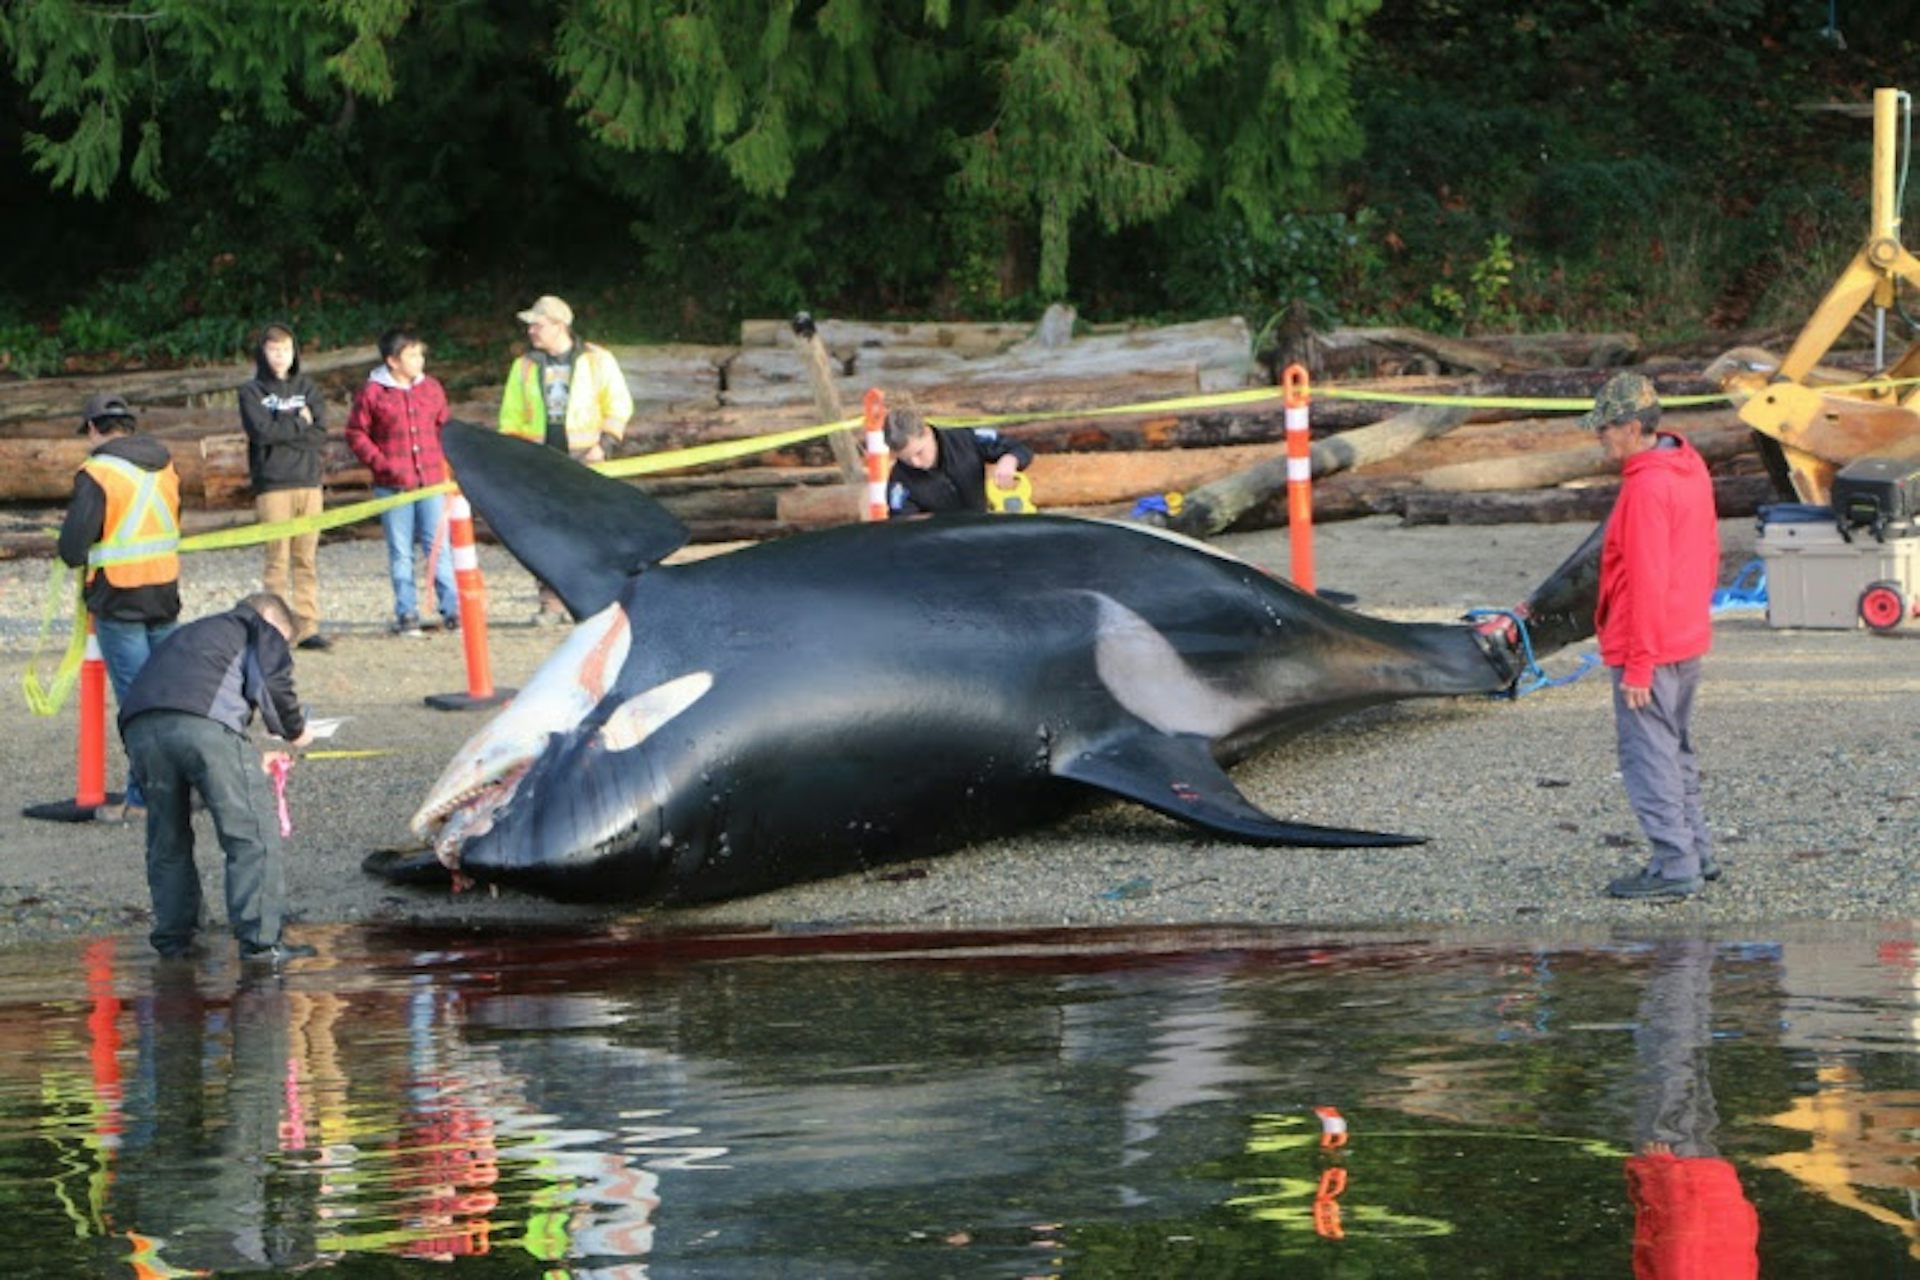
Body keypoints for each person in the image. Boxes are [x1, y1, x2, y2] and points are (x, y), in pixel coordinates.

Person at [117, 591, 317, 966]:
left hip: (141, 729)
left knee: (167, 838)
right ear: (274, 621)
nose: (282, 648)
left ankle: (176, 941)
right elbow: (272, 685)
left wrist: (244, 756)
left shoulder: (191, 632)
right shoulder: (259, 627)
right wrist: (295, 731)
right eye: (286, 643)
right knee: (252, 834)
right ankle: (261, 945)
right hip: (203, 728)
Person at [1583, 372, 1721, 900]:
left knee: (1649, 756)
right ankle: (1696, 851)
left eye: (1606, 429)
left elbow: (1644, 581)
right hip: (1685, 636)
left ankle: (1675, 864)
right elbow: (1706, 551)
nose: (1601, 438)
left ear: (1634, 427)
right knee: (1676, 748)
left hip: (1652, 645)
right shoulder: (1687, 464)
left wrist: (1638, 663)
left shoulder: (1646, 487)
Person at [58, 392, 182, 824]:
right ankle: (178, 789)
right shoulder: (165, 462)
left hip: (121, 598)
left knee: (137, 704)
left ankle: (143, 798)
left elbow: (73, 548)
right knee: (168, 698)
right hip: (164, 592)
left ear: (94, 428)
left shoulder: (98, 471)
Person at [1623, 938, 1760, 1277]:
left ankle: (1694, 951)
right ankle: (1679, 954)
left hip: (1715, 1184)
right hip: (1680, 1173)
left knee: (1690, 1056)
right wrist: (1661, 1173)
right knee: (1666, 1056)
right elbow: (1682, 1246)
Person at [498, 294, 633, 625]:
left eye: (538, 324)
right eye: (530, 325)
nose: (531, 330)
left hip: (588, 459)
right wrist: (518, 456)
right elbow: (510, 417)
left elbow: (618, 404)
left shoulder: (598, 360)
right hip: (540, 462)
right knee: (544, 535)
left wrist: (605, 444)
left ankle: (596, 600)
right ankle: (551, 602)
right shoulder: (525, 366)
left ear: (560, 326)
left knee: (590, 532)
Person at [344, 328, 459, 636]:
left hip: (432, 482)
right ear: (393, 361)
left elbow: (444, 427)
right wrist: (383, 464)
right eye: (411, 355)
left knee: (439, 547)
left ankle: (453, 610)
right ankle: (407, 612)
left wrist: (447, 464)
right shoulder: (372, 392)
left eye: (420, 354)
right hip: (393, 485)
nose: (419, 360)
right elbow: (356, 433)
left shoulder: (431, 388)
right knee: (401, 551)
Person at [239, 322, 331, 650]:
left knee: (305, 558)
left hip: (308, 481)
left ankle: (307, 626)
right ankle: (275, 629)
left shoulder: (308, 388)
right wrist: (298, 423)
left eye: (286, 350)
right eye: (274, 350)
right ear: (263, 353)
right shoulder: (251, 392)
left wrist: (287, 430)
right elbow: (261, 432)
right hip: (273, 484)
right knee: (276, 558)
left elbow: (320, 432)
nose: (280, 356)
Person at [883, 402, 1033, 518]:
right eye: (906, 460)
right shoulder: (899, 483)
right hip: (942, 543)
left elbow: (1019, 448)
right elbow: (901, 524)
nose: (916, 463)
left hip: (982, 524)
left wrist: (1010, 459)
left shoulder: (965, 439)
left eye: (919, 453)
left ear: (928, 432)